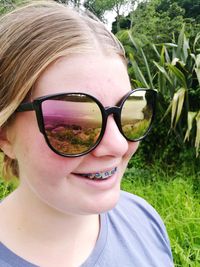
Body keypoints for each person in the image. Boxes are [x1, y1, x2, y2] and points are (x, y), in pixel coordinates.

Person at [0, 1, 174, 266]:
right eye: (73, 122)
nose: (117, 145)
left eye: (129, 111)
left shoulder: (145, 221)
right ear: (4, 135)